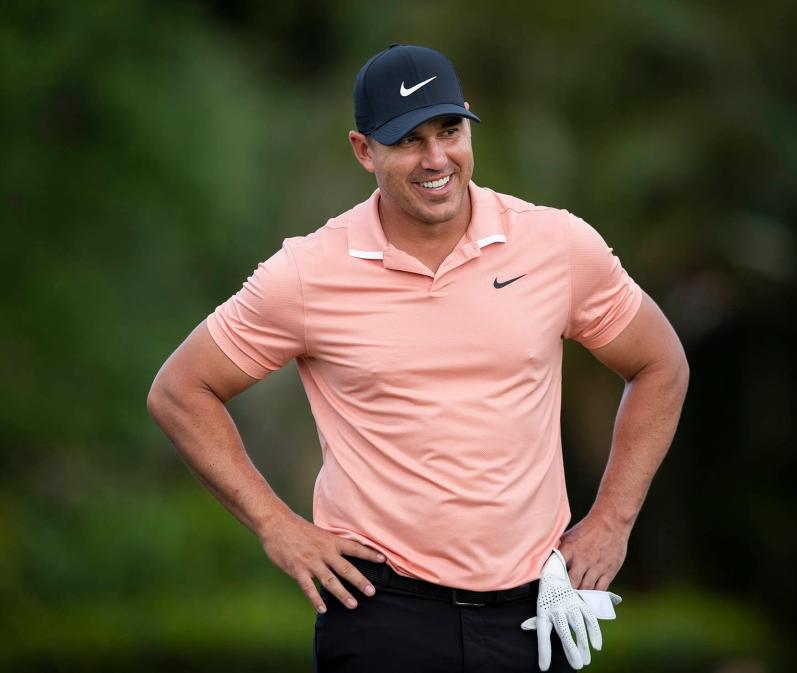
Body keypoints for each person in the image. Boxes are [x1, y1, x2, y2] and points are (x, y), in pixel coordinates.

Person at [147, 43, 689, 673]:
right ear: (363, 150)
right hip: (382, 613)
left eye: (450, 131)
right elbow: (180, 391)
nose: (436, 159)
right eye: (408, 140)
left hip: (532, 614)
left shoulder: (556, 244)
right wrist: (279, 528)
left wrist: (613, 521)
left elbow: (660, 363)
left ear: (468, 125)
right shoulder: (305, 273)